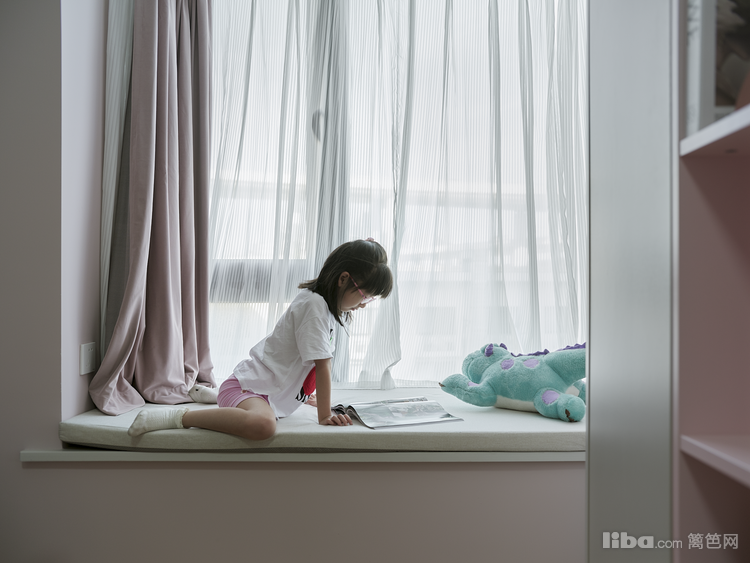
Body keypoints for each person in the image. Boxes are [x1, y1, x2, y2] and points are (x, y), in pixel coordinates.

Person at [127, 238, 394, 440]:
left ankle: (217, 396)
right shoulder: (314, 307)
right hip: (248, 389)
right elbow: (323, 365)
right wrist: (324, 416)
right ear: (343, 279)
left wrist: (304, 396)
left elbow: (299, 362)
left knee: (262, 417)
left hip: (261, 391)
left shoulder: (322, 308)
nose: (364, 304)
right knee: (263, 426)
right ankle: (179, 417)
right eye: (365, 296)